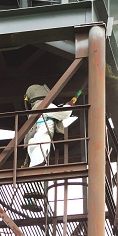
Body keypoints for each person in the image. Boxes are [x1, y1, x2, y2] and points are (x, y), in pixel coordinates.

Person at [21, 84, 78, 212]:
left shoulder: (35, 107)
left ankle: (31, 199)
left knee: (37, 167)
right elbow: (63, 114)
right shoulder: (43, 105)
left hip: (34, 141)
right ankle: (29, 198)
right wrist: (69, 105)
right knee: (38, 167)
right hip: (42, 139)